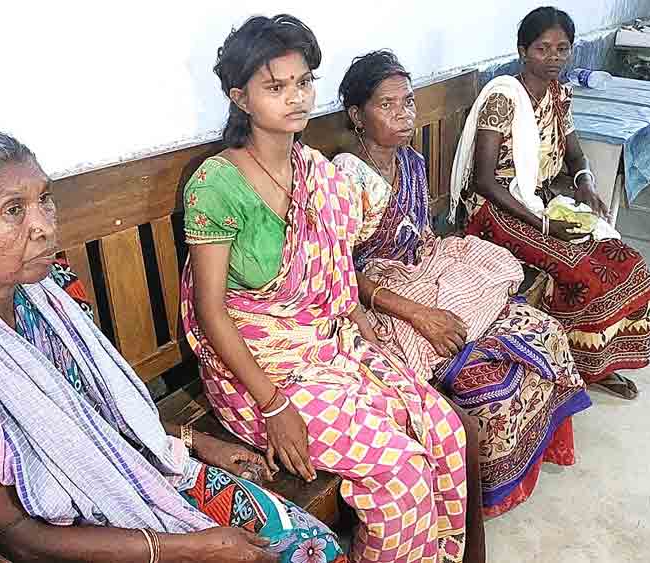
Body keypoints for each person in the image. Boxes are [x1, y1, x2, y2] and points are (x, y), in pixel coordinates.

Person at [0, 123, 346, 563]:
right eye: (14, 211)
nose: (43, 224)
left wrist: (194, 441)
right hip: (43, 540)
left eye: (44, 200)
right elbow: (18, 536)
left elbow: (99, 407)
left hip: (122, 471)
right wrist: (189, 548)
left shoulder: (50, 290)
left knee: (311, 548)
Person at [180, 15, 485, 563]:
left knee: (443, 428)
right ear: (240, 97)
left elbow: (331, 267)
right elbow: (210, 313)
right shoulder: (217, 183)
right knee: (402, 471)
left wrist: (352, 316)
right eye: (276, 87)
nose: (296, 98)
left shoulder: (314, 170)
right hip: (258, 371)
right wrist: (274, 407)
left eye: (303, 82)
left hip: (327, 345)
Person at [332, 50, 591, 517]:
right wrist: (418, 312)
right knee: (489, 384)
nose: (404, 114)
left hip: (422, 270)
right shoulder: (344, 177)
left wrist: (445, 283)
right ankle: (482, 496)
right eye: (386, 105)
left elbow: (423, 238)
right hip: (373, 298)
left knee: (543, 331)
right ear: (356, 114)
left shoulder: (410, 161)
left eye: (408, 102)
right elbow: (338, 271)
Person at [453, 7, 650, 399]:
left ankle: (597, 362)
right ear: (522, 51)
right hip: (493, 209)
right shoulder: (504, 99)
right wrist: (544, 225)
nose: (552, 58)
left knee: (622, 258)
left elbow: (575, 153)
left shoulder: (558, 94)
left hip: (540, 201)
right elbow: (483, 180)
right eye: (542, 48)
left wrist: (584, 183)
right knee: (580, 269)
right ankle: (569, 366)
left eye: (561, 49)